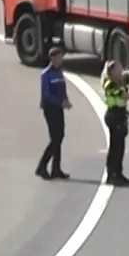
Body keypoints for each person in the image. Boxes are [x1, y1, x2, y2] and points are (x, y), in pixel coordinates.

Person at [35, 46, 71, 180]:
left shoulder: (59, 72)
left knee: (60, 136)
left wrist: (66, 100)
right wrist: (60, 102)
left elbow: (62, 89)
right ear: (53, 58)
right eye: (59, 57)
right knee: (55, 138)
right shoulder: (46, 74)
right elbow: (47, 94)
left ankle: (56, 168)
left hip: (59, 108)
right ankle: (42, 166)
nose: (61, 59)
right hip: (50, 108)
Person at [101, 60, 129, 186]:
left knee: (120, 147)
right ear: (112, 71)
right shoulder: (111, 84)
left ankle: (118, 173)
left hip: (119, 115)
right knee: (115, 147)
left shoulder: (118, 82)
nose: (121, 71)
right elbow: (127, 96)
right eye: (119, 69)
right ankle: (111, 174)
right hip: (114, 115)